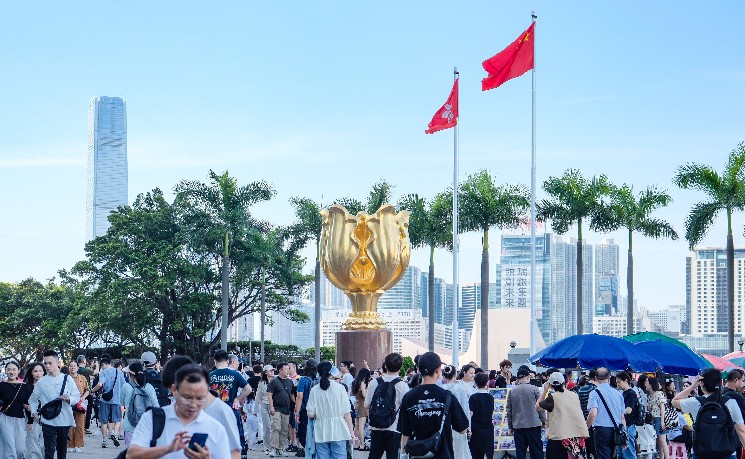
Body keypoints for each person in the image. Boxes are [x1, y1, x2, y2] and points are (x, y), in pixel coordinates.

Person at [127, 363, 231, 459]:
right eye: (187, 397)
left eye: (200, 398)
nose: (193, 404)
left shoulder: (217, 428)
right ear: (174, 390)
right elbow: (131, 455)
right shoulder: (152, 418)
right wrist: (167, 449)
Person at [163, 355, 242, 459]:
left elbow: (235, 453)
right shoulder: (179, 410)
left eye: (176, 390)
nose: (174, 395)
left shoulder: (221, 411)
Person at [398, 352, 469, 459]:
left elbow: (405, 434)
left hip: (417, 455)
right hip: (444, 454)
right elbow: (462, 429)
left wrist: (403, 455)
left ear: (418, 369)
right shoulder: (447, 396)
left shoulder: (409, 397)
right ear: (437, 370)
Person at [673, 369, 745, 457]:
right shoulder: (730, 402)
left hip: (701, 453)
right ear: (721, 383)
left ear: (702, 383)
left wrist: (692, 386)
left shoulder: (696, 402)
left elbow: (674, 401)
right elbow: (741, 431)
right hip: (727, 453)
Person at [28, 350, 81, 459]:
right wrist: (34, 413)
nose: (47, 366)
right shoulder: (42, 381)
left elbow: (77, 397)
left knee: (62, 451)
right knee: (49, 451)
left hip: (64, 420)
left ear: (58, 362)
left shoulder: (67, 379)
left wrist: (68, 399)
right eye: (45, 363)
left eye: (50, 363)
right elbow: (32, 400)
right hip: (48, 420)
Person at [305, 361, 356, 459]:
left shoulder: (314, 390)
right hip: (339, 429)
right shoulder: (340, 388)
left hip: (320, 430)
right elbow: (347, 413)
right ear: (331, 372)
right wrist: (352, 434)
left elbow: (310, 414)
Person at [536, 372, 590, 459]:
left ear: (550, 385)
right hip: (575, 437)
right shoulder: (574, 395)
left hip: (558, 437)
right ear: (565, 382)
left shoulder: (552, 398)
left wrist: (545, 390)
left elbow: (537, 407)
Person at [209, 350, 253, 457]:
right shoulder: (235, 374)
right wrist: (238, 398)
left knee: (215, 436)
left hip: (214, 410)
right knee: (235, 435)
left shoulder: (210, 375)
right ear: (228, 361)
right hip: (231, 408)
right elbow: (248, 389)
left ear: (215, 361)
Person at [365, 352, 409, 459]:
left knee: (374, 456)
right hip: (394, 427)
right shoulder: (403, 386)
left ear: (385, 365)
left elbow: (367, 405)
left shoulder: (374, 383)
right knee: (393, 456)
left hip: (376, 426)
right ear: (400, 367)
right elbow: (405, 409)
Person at [586, 367, 626, 459]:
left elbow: (593, 413)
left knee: (603, 456)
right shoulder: (618, 394)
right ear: (609, 377)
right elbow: (622, 417)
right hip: (616, 430)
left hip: (601, 430)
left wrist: (586, 427)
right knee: (613, 455)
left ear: (596, 378)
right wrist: (624, 434)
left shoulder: (594, 393)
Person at [506, 367, 545, 459]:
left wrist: (510, 426)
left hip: (518, 425)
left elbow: (509, 410)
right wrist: (543, 420)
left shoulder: (512, 391)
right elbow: (540, 407)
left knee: (520, 452)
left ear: (518, 379)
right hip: (533, 424)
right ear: (528, 377)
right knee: (536, 451)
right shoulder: (534, 389)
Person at [120, 361, 159, 447]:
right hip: (146, 425)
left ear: (131, 375)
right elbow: (156, 406)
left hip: (130, 424)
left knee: (131, 453)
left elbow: (122, 403)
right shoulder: (149, 387)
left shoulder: (126, 386)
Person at [91, 354, 125, 448]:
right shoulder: (120, 372)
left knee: (104, 420)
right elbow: (123, 386)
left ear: (103, 364)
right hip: (117, 399)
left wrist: (92, 391)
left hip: (105, 400)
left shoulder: (103, 371)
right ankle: (114, 433)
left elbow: (100, 384)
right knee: (118, 418)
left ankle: (104, 441)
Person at [0, 361, 32, 459]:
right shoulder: (1, 385)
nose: (11, 372)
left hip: (20, 420)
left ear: (18, 371)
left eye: (14, 369)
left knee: (20, 449)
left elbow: (27, 403)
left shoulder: (24, 386)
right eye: (9, 369)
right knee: (9, 448)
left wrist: (30, 421)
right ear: (5, 371)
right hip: (5, 418)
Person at [442, 365, 472, 459]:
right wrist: (468, 427)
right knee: (461, 452)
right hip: (459, 425)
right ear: (455, 375)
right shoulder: (460, 389)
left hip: (444, 425)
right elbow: (465, 409)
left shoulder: (441, 389)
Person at [267, 362, 294, 457]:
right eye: (286, 369)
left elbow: (292, 395)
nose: (288, 371)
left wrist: (294, 407)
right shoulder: (274, 381)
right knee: (276, 428)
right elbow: (269, 394)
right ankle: (273, 448)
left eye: (288, 369)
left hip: (286, 409)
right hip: (276, 408)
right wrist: (271, 407)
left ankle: (281, 448)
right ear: (280, 370)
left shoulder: (290, 382)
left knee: (284, 429)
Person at [295, 359, 318, 457]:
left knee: (303, 432)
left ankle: (308, 449)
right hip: (318, 410)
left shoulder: (303, 380)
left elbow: (299, 397)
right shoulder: (319, 380)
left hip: (305, 410)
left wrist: (297, 412)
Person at [469, 372, 495, 459]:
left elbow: (471, 414)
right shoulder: (490, 397)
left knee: (476, 453)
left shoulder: (473, 397)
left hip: (476, 428)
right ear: (487, 382)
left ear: (475, 383)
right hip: (488, 427)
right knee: (488, 452)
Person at [66, 360, 90, 452]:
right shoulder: (66, 378)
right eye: (71, 366)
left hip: (80, 403)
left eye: (74, 366)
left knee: (80, 425)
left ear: (77, 367)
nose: (72, 367)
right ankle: (70, 445)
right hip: (69, 403)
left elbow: (87, 390)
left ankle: (78, 445)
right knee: (70, 424)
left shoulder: (82, 378)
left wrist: (83, 398)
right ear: (68, 368)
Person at [615, 371, 639, 459]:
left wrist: (617, 411)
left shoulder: (631, 394)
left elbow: (629, 410)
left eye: (619, 382)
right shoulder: (623, 393)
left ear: (626, 380)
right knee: (621, 454)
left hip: (628, 426)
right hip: (623, 426)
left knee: (628, 454)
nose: (617, 384)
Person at [24, 362, 45, 459]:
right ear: (31, 373)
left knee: (45, 444)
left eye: (41, 371)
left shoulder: (48, 385)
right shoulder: (27, 386)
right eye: (35, 371)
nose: (38, 373)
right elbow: (24, 403)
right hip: (32, 419)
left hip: (47, 418)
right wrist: (30, 420)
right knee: (33, 443)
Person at [645, 377, 668, 459]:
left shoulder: (658, 393)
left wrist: (662, 421)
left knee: (662, 441)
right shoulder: (649, 396)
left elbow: (662, 407)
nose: (645, 384)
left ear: (651, 384)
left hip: (659, 418)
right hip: (653, 419)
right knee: (658, 441)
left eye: (647, 382)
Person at [254, 364, 275, 454]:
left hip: (274, 406)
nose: (272, 372)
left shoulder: (276, 381)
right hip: (264, 405)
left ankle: (274, 446)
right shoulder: (262, 383)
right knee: (267, 426)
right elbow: (258, 397)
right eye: (270, 370)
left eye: (273, 370)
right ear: (265, 372)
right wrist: (255, 409)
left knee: (274, 426)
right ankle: (267, 446)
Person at [350, 368, 371, 451]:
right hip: (362, 404)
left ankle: (356, 444)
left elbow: (353, 393)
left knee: (356, 426)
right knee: (361, 426)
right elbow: (365, 395)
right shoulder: (362, 382)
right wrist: (367, 389)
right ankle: (362, 445)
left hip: (357, 403)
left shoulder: (355, 382)